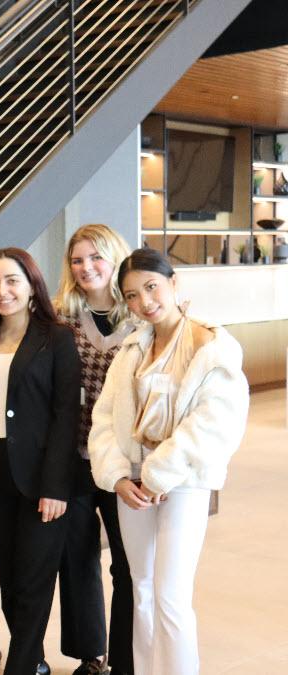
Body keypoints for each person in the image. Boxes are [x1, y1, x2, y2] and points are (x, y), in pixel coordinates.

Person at [89, 248, 248, 675]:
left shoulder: (211, 344)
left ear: (173, 283)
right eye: (132, 295)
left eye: (151, 287)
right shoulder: (131, 347)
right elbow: (105, 416)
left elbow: (213, 423)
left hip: (182, 482)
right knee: (140, 589)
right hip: (131, 486)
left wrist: (159, 475)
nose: (144, 302)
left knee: (171, 594)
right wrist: (117, 475)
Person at [0, 247, 80, 675]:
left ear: (31, 286)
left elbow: (67, 416)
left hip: (40, 479)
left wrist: (56, 486)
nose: (1, 291)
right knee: (8, 579)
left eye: (11, 281)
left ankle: (22, 667)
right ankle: (35, 661)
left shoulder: (57, 338)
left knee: (33, 580)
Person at [52, 224, 135, 675]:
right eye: (78, 260)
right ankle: (91, 655)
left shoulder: (143, 317)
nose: (86, 268)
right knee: (77, 558)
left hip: (124, 462)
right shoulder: (61, 317)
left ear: (115, 258)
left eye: (96, 258)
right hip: (75, 459)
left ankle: (125, 659)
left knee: (127, 565)